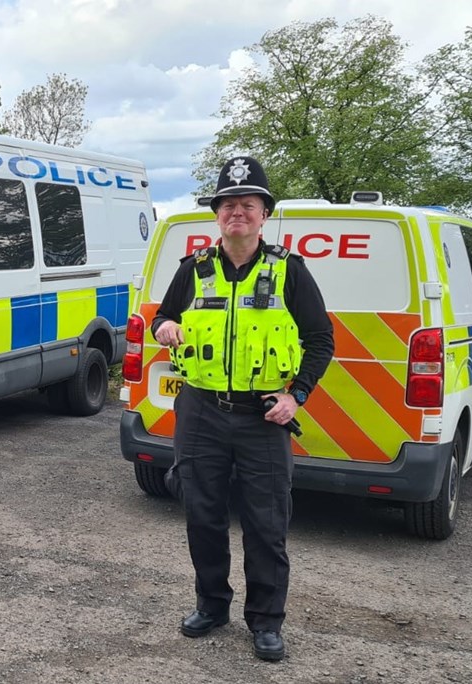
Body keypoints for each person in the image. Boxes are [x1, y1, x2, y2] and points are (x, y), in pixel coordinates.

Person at [151, 156, 334, 662]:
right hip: (201, 413)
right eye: (228, 205)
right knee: (202, 516)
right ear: (217, 215)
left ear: (264, 214)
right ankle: (211, 605)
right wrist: (163, 327)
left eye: (247, 205)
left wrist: (295, 396)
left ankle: (266, 622)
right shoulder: (195, 269)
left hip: (261, 418)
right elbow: (162, 318)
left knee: (266, 523)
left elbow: (321, 341)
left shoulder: (289, 272)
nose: (238, 213)